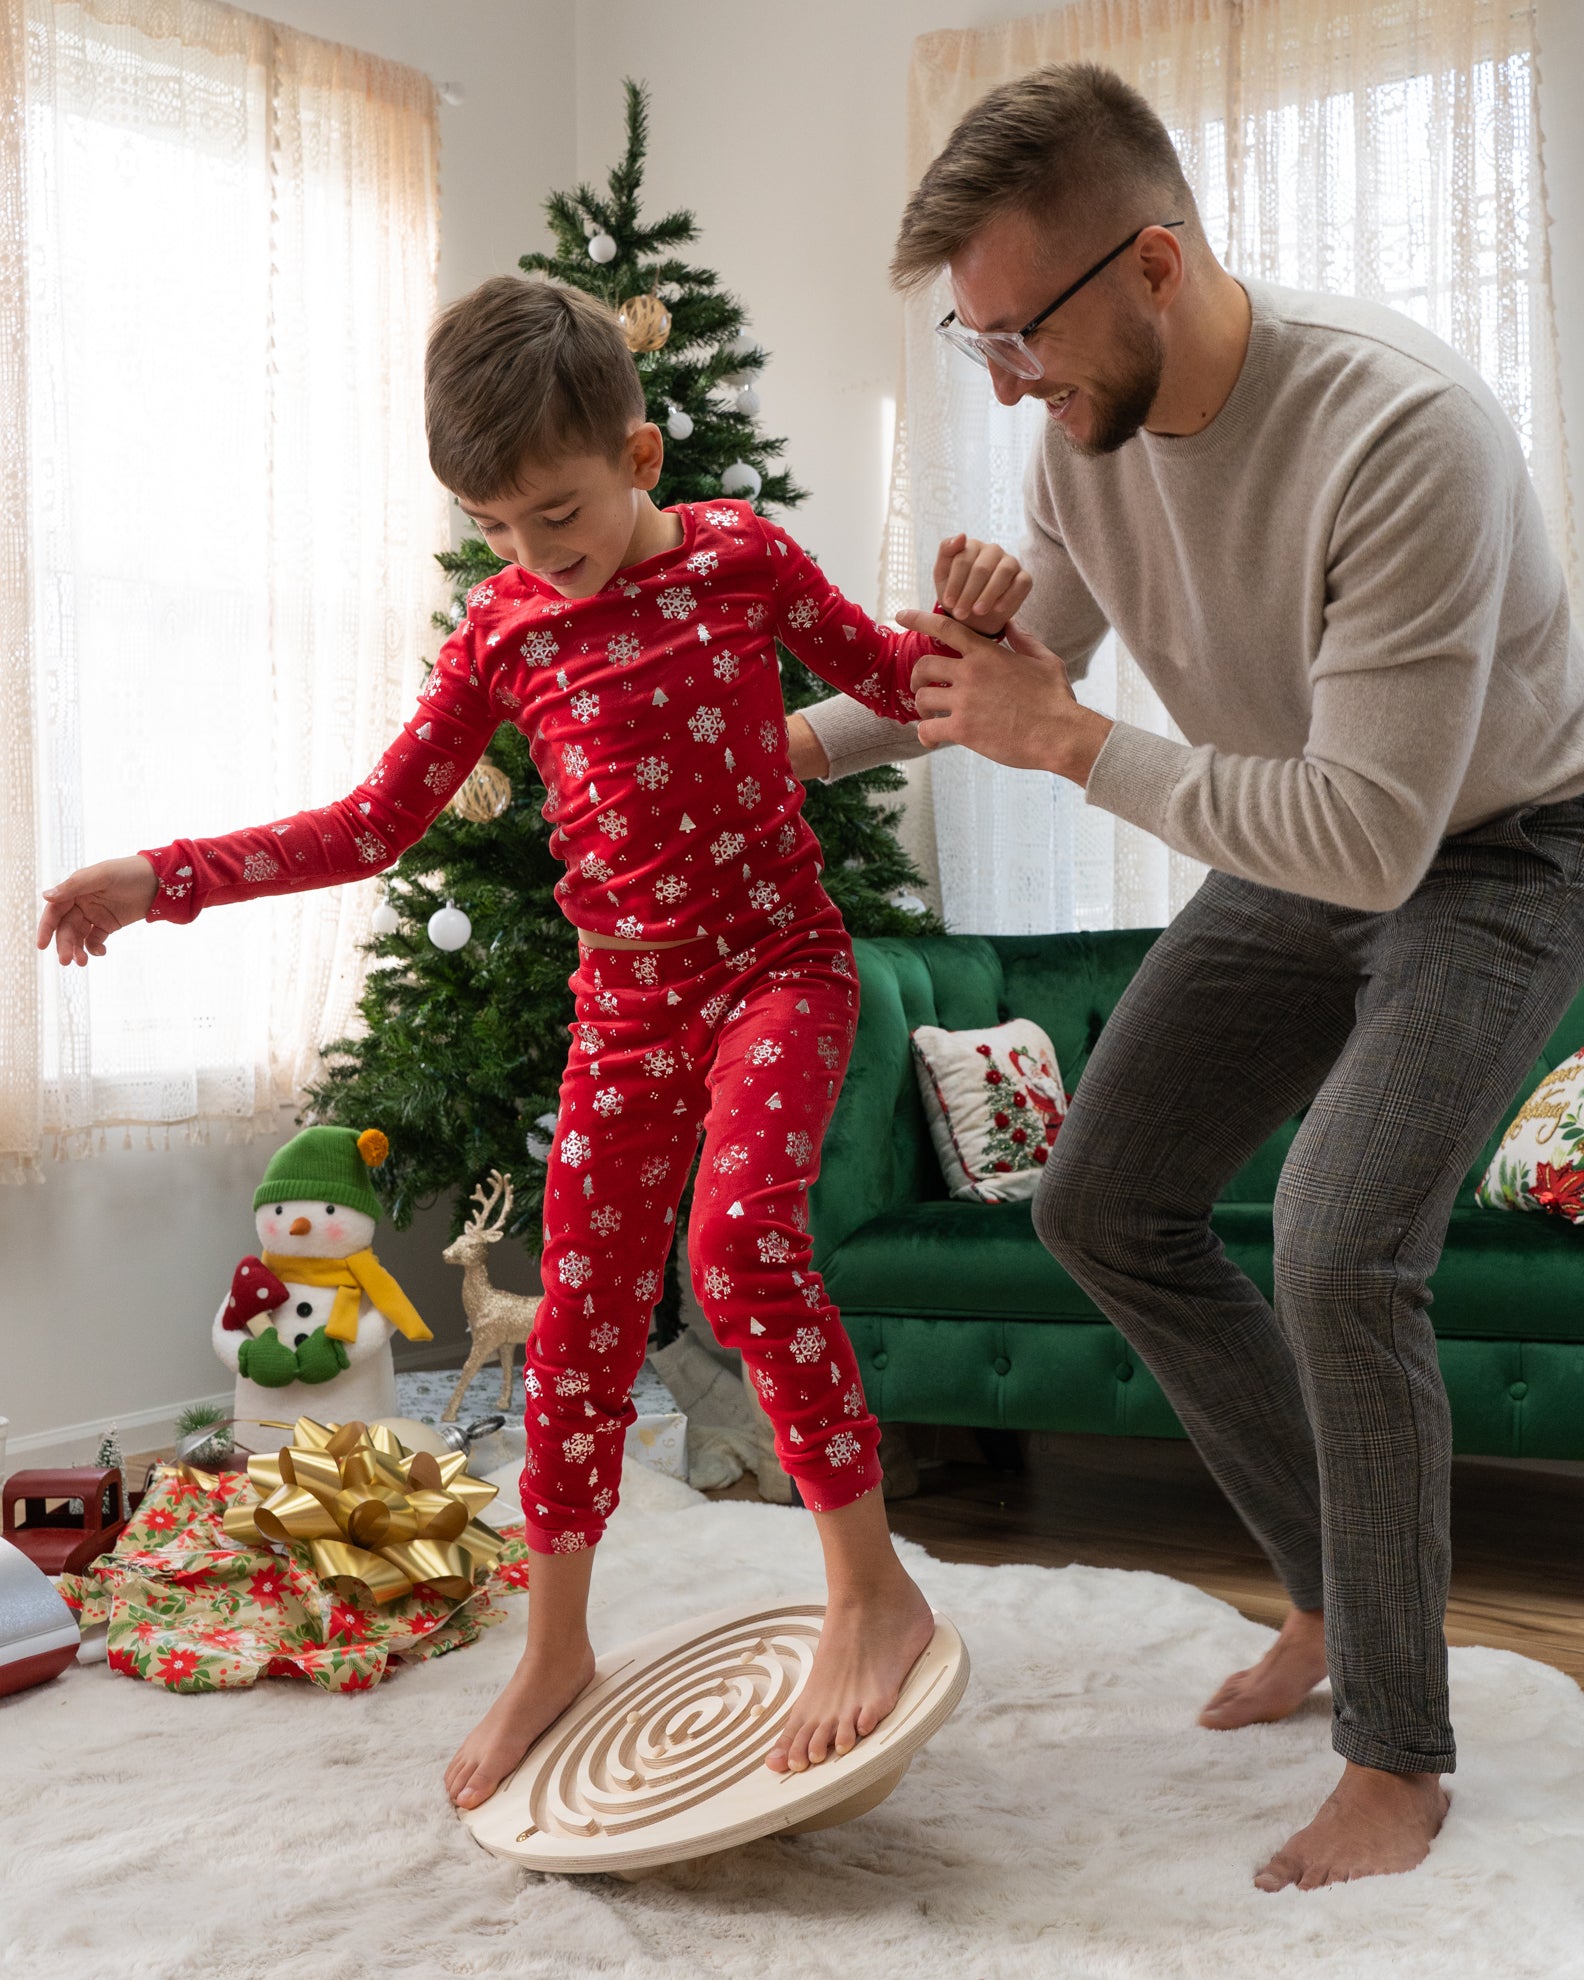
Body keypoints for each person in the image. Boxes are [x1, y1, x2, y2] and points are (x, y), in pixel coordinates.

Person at [36, 276, 1032, 1810]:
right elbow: (370, 826)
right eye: (493, 525)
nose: (528, 552)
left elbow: (911, 693)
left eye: (553, 511)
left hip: (778, 965)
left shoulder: (741, 560)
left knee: (746, 1247)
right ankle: (556, 1646)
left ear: (638, 461)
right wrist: (160, 880)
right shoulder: (503, 633)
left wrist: (968, 624)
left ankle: (870, 1591)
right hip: (624, 1004)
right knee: (575, 1325)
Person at [790, 61, 1584, 1892]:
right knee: (1105, 1201)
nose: (1007, 382)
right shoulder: (1083, 432)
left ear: (1152, 265)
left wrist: (1069, 745)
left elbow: (1375, 842)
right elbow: (982, 677)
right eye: (974, 342)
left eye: (1022, 336)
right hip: (1295, 828)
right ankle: (1334, 1596)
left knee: (1336, 1240)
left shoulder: (1402, 435)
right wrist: (782, 754)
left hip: (1500, 848)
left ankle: (1401, 1750)